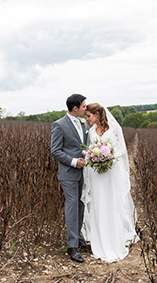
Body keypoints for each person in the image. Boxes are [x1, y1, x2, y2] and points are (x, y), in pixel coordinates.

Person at [81, 103, 139, 262]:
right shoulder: (91, 131)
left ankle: (114, 239)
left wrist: (108, 158)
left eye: (89, 116)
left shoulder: (114, 128)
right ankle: (100, 239)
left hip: (111, 170)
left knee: (112, 202)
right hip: (97, 173)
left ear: (97, 115)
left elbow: (121, 150)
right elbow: (91, 147)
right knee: (99, 203)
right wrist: (93, 157)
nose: (87, 119)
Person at [50, 94, 91, 263]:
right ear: (75, 108)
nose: (85, 109)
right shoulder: (59, 125)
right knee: (72, 205)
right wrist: (74, 162)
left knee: (81, 204)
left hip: (84, 173)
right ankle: (72, 246)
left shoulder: (84, 123)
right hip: (68, 173)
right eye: (83, 106)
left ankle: (79, 238)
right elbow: (55, 150)